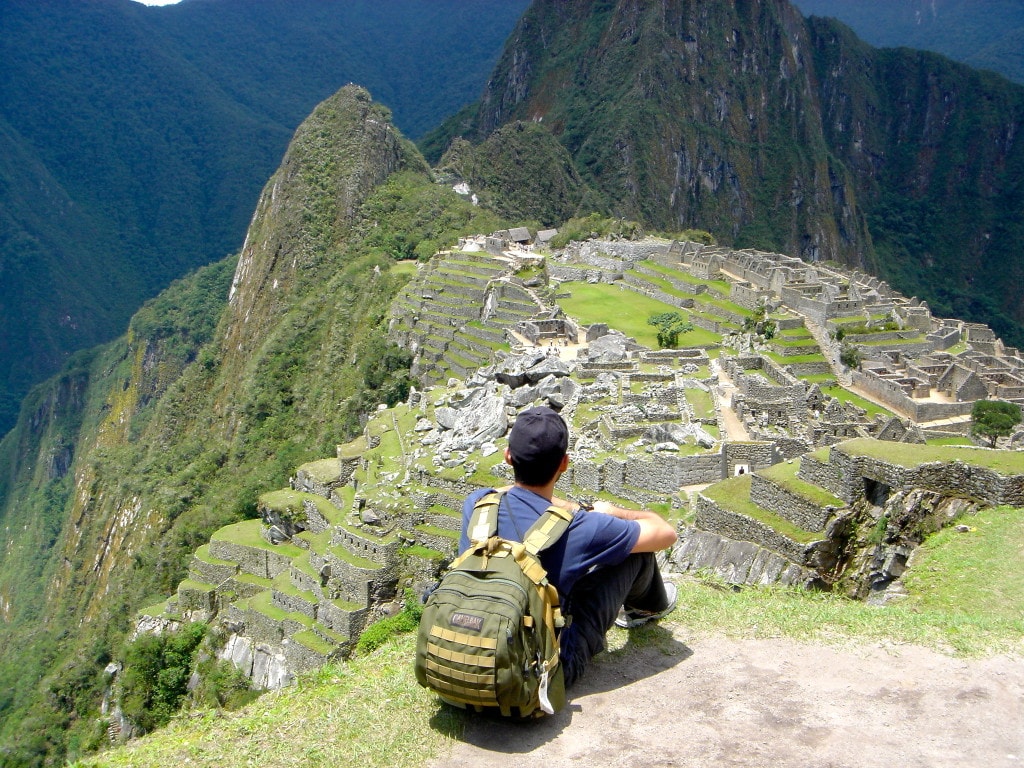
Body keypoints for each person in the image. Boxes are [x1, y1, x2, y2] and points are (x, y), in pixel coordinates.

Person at [459, 406, 678, 689]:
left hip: (467, 652)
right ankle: (647, 609)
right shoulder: (581, 527)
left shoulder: (477, 504)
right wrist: (609, 511)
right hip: (538, 675)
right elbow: (665, 533)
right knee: (635, 554)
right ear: (564, 463)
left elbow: (502, 490)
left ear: (508, 457)